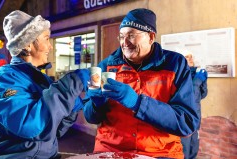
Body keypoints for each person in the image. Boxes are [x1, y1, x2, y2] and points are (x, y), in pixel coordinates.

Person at [83, 8, 200, 159]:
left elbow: (187, 122)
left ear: (151, 37)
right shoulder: (104, 66)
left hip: (160, 153)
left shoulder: (175, 64)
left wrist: (138, 103)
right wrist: (95, 104)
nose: (124, 43)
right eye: (121, 36)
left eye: (131, 35)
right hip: (110, 150)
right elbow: (90, 117)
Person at [0, 10, 90, 159]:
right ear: (28, 45)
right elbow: (29, 127)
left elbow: (54, 132)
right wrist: (69, 85)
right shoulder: (3, 79)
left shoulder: (42, 80)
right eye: (46, 39)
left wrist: (72, 106)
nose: (50, 47)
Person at [181, 52, 208, 159]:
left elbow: (202, 95)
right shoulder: (179, 75)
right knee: (184, 150)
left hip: (196, 117)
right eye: (187, 57)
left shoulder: (197, 73)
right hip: (184, 118)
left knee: (193, 148)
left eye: (191, 56)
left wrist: (204, 80)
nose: (190, 59)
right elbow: (187, 96)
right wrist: (197, 81)